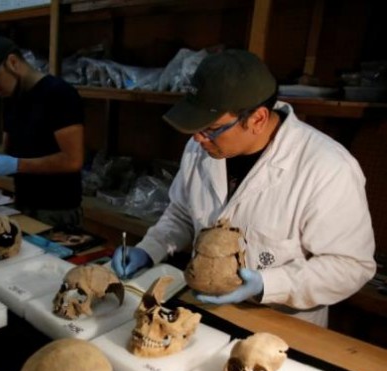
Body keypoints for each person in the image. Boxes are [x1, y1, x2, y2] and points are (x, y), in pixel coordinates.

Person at [111, 49, 376, 327]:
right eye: (196, 127)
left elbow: (351, 265)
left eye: (211, 128)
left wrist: (268, 284)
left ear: (257, 119)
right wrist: (150, 248)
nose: (198, 138)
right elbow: (182, 213)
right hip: (205, 310)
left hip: (281, 324)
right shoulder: (202, 147)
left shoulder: (328, 168)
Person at [0, 37, 85, 230]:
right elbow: (9, 149)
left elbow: (73, 160)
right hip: (23, 205)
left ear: (13, 62)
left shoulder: (59, 94)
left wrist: (17, 164)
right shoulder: (12, 99)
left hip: (57, 212)